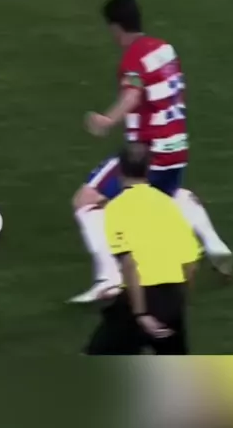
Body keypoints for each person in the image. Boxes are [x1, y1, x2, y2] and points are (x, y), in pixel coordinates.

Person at [70, 0, 232, 303]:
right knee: (167, 196)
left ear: (116, 27)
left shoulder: (133, 59)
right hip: (176, 148)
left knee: (86, 201)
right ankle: (213, 243)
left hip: (146, 153)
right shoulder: (165, 49)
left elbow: (133, 93)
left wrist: (107, 120)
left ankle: (109, 277)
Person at [84, 143, 200, 355]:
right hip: (172, 299)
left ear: (119, 171)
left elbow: (129, 263)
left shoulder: (116, 208)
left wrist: (141, 314)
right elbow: (190, 263)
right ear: (148, 170)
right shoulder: (168, 205)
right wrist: (179, 302)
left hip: (139, 301)